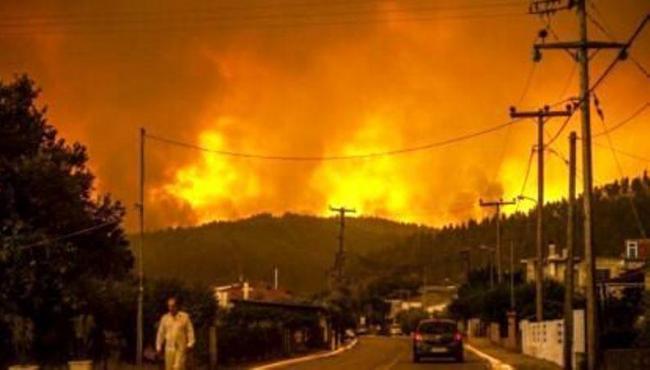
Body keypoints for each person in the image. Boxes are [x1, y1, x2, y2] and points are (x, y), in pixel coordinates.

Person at [155, 296, 195, 370]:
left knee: (178, 367)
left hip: (180, 348)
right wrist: (158, 347)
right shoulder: (165, 318)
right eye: (169, 306)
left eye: (173, 306)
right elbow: (160, 333)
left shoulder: (184, 317)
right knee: (169, 368)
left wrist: (190, 344)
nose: (171, 308)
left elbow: (190, 331)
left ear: (177, 306)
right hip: (169, 349)